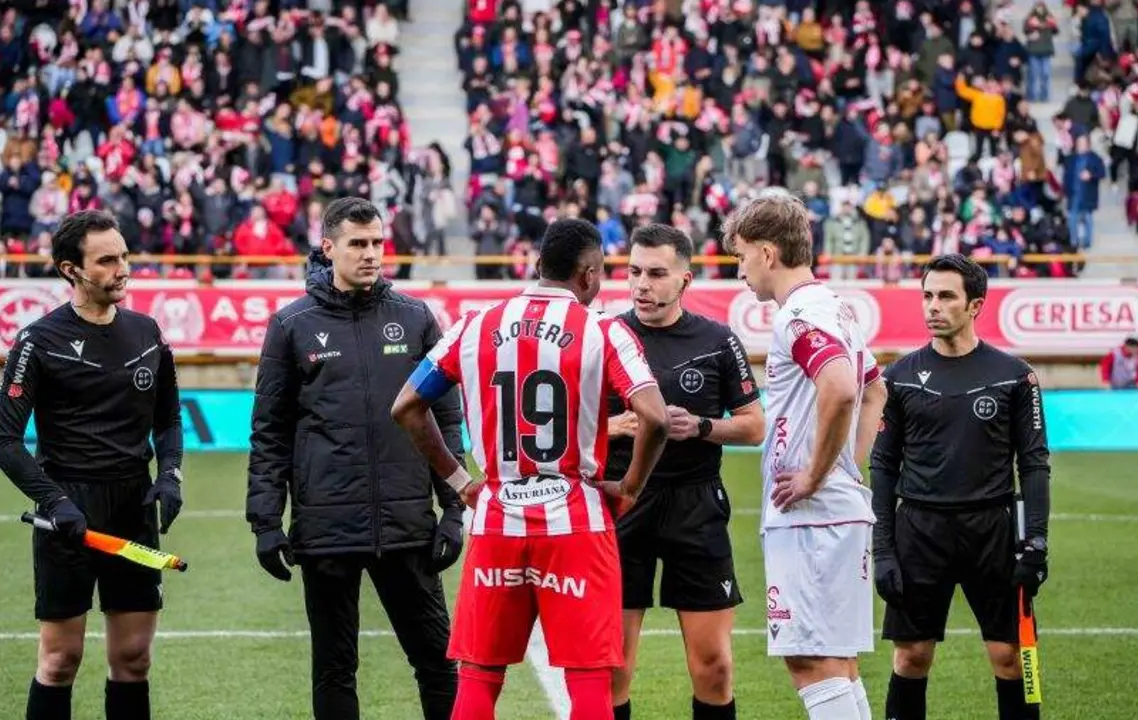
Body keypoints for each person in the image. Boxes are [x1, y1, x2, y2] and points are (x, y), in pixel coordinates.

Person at [390, 218, 670, 720]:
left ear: (538, 265)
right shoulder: (603, 329)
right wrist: (629, 487)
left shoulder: (476, 325)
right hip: (577, 523)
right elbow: (655, 416)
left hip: (497, 515)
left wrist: (459, 483)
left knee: (478, 677)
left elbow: (406, 405)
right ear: (587, 274)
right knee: (588, 681)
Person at [246, 197, 464, 720]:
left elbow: (446, 419)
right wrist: (265, 523)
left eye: (377, 243)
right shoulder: (291, 325)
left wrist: (454, 509)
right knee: (335, 668)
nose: (370, 255)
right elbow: (269, 432)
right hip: (327, 529)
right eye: (357, 244)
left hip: (408, 524)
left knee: (439, 663)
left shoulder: (415, 319)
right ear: (328, 248)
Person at [0, 209, 185, 720]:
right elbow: (5, 440)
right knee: (59, 660)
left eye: (123, 256)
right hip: (66, 513)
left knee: (134, 659)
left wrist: (169, 475)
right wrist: (55, 500)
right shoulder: (37, 341)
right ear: (70, 270)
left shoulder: (147, 331)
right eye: (107, 260)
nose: (122, 269)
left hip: (133, 509)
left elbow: (167, 419)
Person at [723, 192, 887, 720]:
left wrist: (818, 474)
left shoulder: (798, 314)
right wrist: (846, 467)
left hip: (812, 517)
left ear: (768, 253)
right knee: (836, 663)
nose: (741, 272)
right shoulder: (833, 305)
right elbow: (874, 388)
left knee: (812, 663)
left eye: (742, 256)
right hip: (835, 511)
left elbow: (841, 388)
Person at [870, 254, 1052, 720]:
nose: (933, 306)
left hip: (992, 530)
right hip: (919, 530)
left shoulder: (1015, 375)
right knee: (911, 657)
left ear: (975, 305)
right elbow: (883, 466)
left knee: (1010, 657)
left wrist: (1036, 542)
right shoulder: (899, 376)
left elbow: (1033, 464)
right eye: (927, 295)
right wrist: (885, 550)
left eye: (946, 296)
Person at [605, 224, 765, 720]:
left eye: (656, 274)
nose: (641, 285)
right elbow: (568, 425)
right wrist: (613, 426)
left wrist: (700, 426)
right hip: (623, 503)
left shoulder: (717, 340)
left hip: (695, 506)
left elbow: (754, 426)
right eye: (633, 272)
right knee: (613, 668)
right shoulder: (603, 335)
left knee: (713, 666)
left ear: (685, 280)